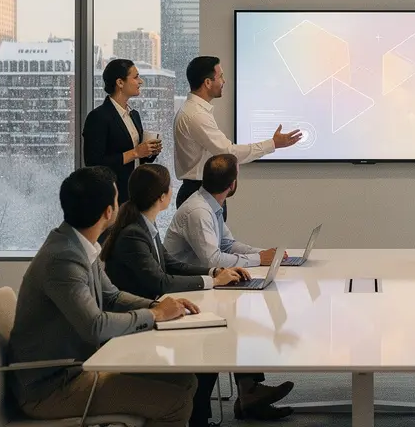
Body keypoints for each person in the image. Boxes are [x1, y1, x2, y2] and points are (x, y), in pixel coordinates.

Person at [7, 166, 200, 427]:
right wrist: (154, 315)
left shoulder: (77, 244)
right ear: (109, 211)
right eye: (117, 199)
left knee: (184, 379)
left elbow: (112, 297)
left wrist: (159, 305)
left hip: (76, 368)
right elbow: (95, 326)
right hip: (53, 388)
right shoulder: (63, 258)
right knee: (175, 401)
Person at [99, 163, 290, 425]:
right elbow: (161, 280)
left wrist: (214, 274)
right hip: (142, 316)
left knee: (222, 328)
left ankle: (228, 402)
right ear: (163, 197)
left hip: (157, 306)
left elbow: (173, 265)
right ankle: (201, 417)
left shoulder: (145, 227)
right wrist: (212, 279)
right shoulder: (136, 233)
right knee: (212, 340)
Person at [163, 153, 295, 420]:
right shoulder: (199, 211)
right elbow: (212, 260)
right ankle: (211, 410)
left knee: (244, 312)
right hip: (187, 289)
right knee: (236, 320)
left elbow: (227, 244)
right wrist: (259, 259)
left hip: (207, 284)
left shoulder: (212, 203)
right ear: (232, 183)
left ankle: (249, 392)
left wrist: (265, 253)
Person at [173, 56, 302, 213]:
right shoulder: (196, 115)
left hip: (203, 190)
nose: (224, 81)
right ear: (207, 82)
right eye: (220, 76)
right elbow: (228, 153)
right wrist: (273, 144)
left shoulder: (196, 111)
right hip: (198, 192)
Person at [82, 59, 162, 208]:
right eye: (136, 77)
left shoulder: (134, 114)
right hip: (113, 198)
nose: (141, 81)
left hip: (136, 194)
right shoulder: (98, 117)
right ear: (120, 82)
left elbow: (138, 159)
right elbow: (93, 163)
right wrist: (135, 152)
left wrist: (149, 152)